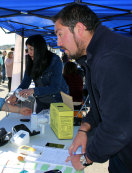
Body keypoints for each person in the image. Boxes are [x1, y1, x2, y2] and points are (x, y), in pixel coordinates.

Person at [52, 4, 132, 172]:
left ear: (79, 29)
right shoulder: (95, 56)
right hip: (121, 155)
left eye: (60, 34)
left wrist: (85, 158)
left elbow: (117, 129)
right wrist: (83, 129)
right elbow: (100, 109)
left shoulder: (110, 57)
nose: (58, 42)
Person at [7, 34, 69, 113]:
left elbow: (55, 87)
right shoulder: (30, 61)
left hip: (58, 101)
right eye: (28, 49)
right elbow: (25, 82)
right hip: (41, 101)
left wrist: (33, 90)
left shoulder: (54, 60)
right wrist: (16, 95)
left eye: (31, 49)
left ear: (40, 48)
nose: (29, 52)